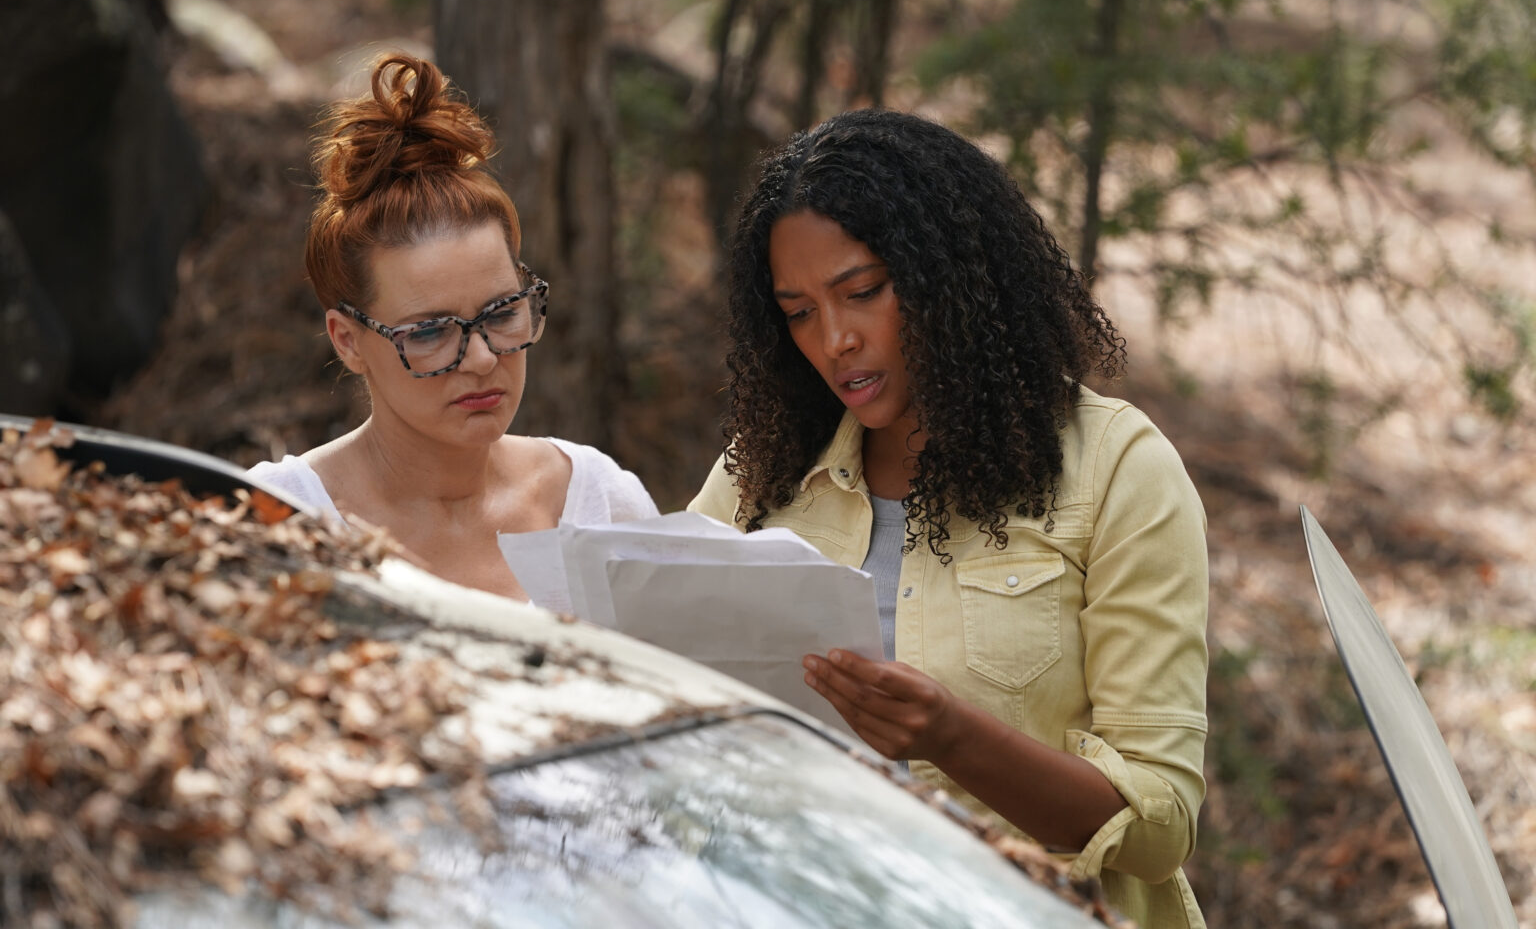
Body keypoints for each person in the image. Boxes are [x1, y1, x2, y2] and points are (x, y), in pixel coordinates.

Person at [689, 109, 1209, 928]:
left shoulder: (1116, 470)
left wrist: (951, 738)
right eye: (798, 312)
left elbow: (1159, 826)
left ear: (951, 277)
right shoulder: (763, 472)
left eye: (862, 292)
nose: (835, 340)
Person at [251, 54, 656, 600]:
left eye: (502, 312)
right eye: (429, 332)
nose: (483, 359)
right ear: (348, 340)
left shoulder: (596, 502)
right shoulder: (278, 520)